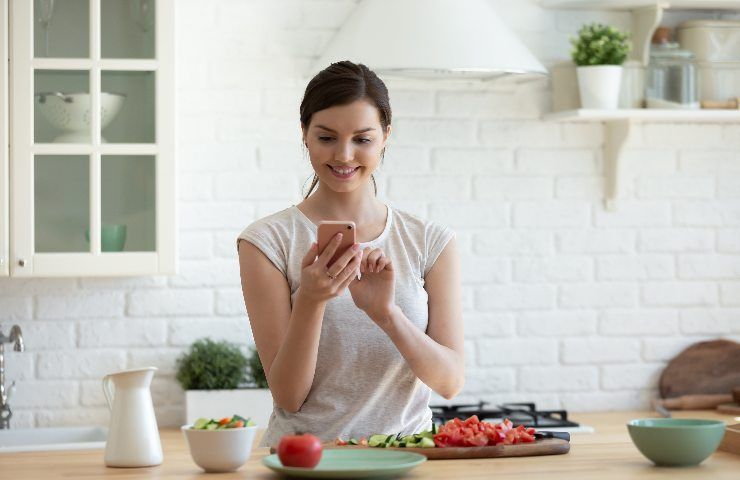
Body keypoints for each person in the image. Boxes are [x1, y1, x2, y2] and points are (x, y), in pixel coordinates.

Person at [237, 60, 464, 448]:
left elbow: (449, 382)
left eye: (362, 139)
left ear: (385, 136)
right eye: (327, 137)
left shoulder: (430, 241)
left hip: (407, 458)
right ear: (305, 134)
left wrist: (387, 315)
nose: (344, 155)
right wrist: (311, 300)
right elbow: (289, 397)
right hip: (306, 461)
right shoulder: (266, 242)